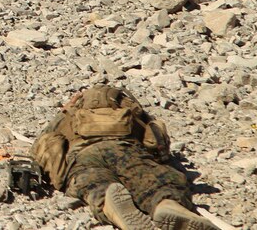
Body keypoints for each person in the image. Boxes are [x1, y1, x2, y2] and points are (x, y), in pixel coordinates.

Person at [31, 84, 215, 230]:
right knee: (152, 178)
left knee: (92, 183)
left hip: (82, 155)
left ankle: (109, 204)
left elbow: (45, 143)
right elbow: (157, 142)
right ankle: (166, 203)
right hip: (125, 148)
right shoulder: (130, 109)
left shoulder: (69, 114)